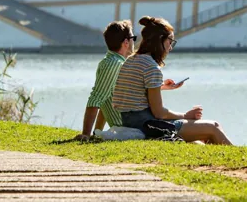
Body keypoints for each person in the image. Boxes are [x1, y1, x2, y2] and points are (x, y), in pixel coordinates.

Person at [113, 16, 233, 145]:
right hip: (148, 126)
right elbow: (159, 113)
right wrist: (186, 116)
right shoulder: (151, 67)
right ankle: (238, 158)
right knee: (213, 127)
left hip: (129, 122)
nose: (170, 48)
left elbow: (134, 92)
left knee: (199, 142)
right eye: (170, 42)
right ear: (160, 40)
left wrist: (162, 86)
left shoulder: (131, 60)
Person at [74, 20, 136, 141]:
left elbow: (104, 100)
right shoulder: (112, 64)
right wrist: (85, 134)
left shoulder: (117, 62)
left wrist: (96, 133)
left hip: (133, 125)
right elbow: (95, 99)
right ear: (126, 42)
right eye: (133, 38)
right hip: (130, 129)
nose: (135, 41)